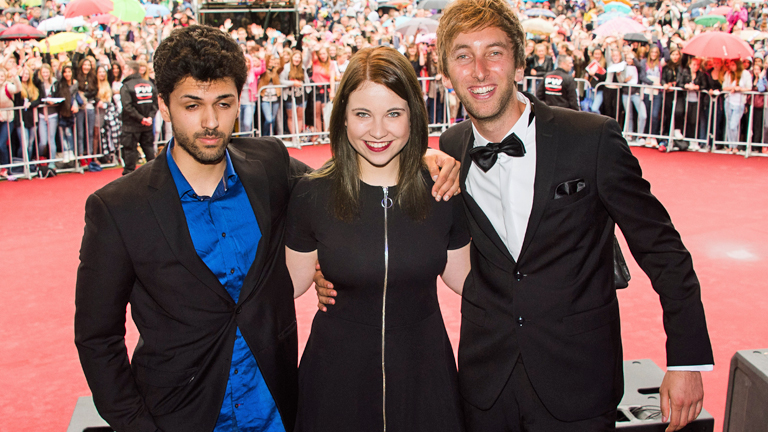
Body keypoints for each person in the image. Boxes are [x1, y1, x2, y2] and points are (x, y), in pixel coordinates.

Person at [317, 0, 714, 430]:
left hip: (579, 380)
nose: (479, 71)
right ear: (446, 74)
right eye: (463, 56)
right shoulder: (450, 150)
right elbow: (385, 207)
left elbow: (662, 248)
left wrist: (687, 359)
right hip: (486, 386)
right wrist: (333, 267)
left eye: (494, 52)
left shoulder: (591, 139)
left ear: (520, 64)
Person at [75, 24, 461, 432]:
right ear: (164, 106)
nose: (210, 121)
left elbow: (340, 188)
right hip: (180, 415)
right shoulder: (118, 208)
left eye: (223, 103)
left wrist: (417, 156)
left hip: (275, 411)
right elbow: (97, 338)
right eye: (192, 105)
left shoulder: (270, 166)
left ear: (239, 101)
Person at [285, 46, 470, 432]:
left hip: (425, 381)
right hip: (334, 385)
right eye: (363, 114)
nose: (379, 131)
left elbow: (469, 279)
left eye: (394, 114)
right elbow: (286, 284)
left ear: (413, 115)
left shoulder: (443, 189)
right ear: (343, 117)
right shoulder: (311, 193)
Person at [119, 60, 158, 175]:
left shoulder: (126, 86)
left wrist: (142, 118)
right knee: (149, 150)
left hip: (131, 126)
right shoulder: (149, 84)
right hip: (146, 124)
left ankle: (128, 177)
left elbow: (127, 106)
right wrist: (149, 118)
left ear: (131, 71)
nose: (124, 71)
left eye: (125, 69)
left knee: (130, 152)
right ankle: (156, 174)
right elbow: (155, 104)